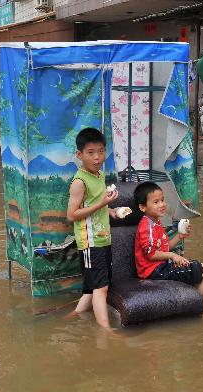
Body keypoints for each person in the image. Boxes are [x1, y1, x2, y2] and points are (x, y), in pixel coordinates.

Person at [66, 127, 118, 328]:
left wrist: (110, 211)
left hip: (103, 238)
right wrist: (103, 204)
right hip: (90, 241)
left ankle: (72, 317)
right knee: (101, 287)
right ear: (80, 155)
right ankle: (105, 331)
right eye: (91, 153)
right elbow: (71, 215)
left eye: (101, 151)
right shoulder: (79, 182)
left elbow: (95, 204)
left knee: (93, 287)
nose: (97, 157)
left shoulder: (99, 175)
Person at [133, 181, 203, 298]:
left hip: (161, 267)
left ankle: (197, 307)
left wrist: (179, 236)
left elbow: (165, 247)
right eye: (156, 202)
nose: (162, 204)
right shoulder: (147, 227)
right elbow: (151, 254)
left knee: (199, 267)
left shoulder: (156, 222)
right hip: (153, 272)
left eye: (163, 200)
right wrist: (173, 256)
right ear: (142, 207)